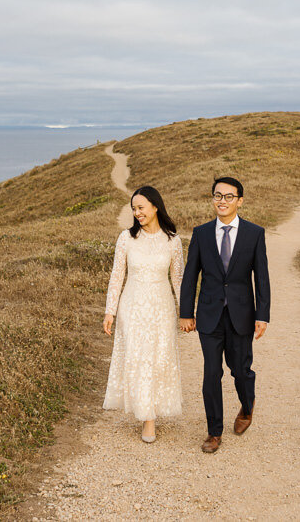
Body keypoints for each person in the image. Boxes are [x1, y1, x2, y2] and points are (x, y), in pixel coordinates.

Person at [179, 176, 270, 453]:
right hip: (209, 314)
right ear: (213, 199)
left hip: (242, 314)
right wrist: (186, 312)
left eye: (229, 196)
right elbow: (190, 275)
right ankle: (214, 432)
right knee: (211, 373)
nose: (223, 201)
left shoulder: (254, 233)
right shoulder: (201, 233)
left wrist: (262, 315)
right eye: (218, 195)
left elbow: (262, 278)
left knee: (240, 371)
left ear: (239, 201)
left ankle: (247, 404)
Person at [102, 185, 184, 442]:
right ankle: (147, 417)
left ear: (155, 206)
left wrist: (186, 314)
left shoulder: (173, 241)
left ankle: (152, 411)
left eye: (141, 208)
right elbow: (117, 276)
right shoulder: (126, 238)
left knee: (158, 358)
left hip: (162, 307)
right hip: (133, 305)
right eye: (134, 209)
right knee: (138, 358)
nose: (137, 213)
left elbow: (178, 280)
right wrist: (110, 312)